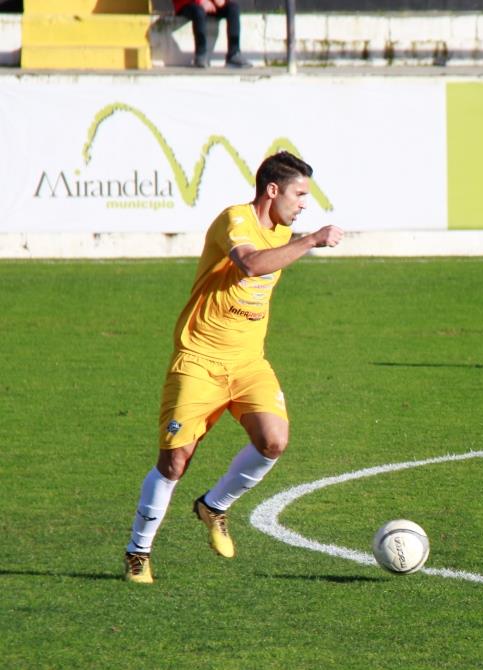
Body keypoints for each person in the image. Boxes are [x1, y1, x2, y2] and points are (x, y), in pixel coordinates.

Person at [123, 151, 343, 583]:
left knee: (274, 440)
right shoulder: (235, 219)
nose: (304, 204)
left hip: (248, 363)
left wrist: (300, 238)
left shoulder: (285, 231)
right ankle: (138, 552)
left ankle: (214, 506)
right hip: (199, 360)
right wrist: (312, 240)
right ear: (272, 190)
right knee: (174, 464)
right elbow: (251, 264)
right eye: (299, 194)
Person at [174, 0, 251, 68]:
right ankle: (200, 54)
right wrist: (201, 1)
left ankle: (234, 53)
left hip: (211, 3)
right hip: (187, 3)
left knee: (233, 8)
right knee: (199, 12)